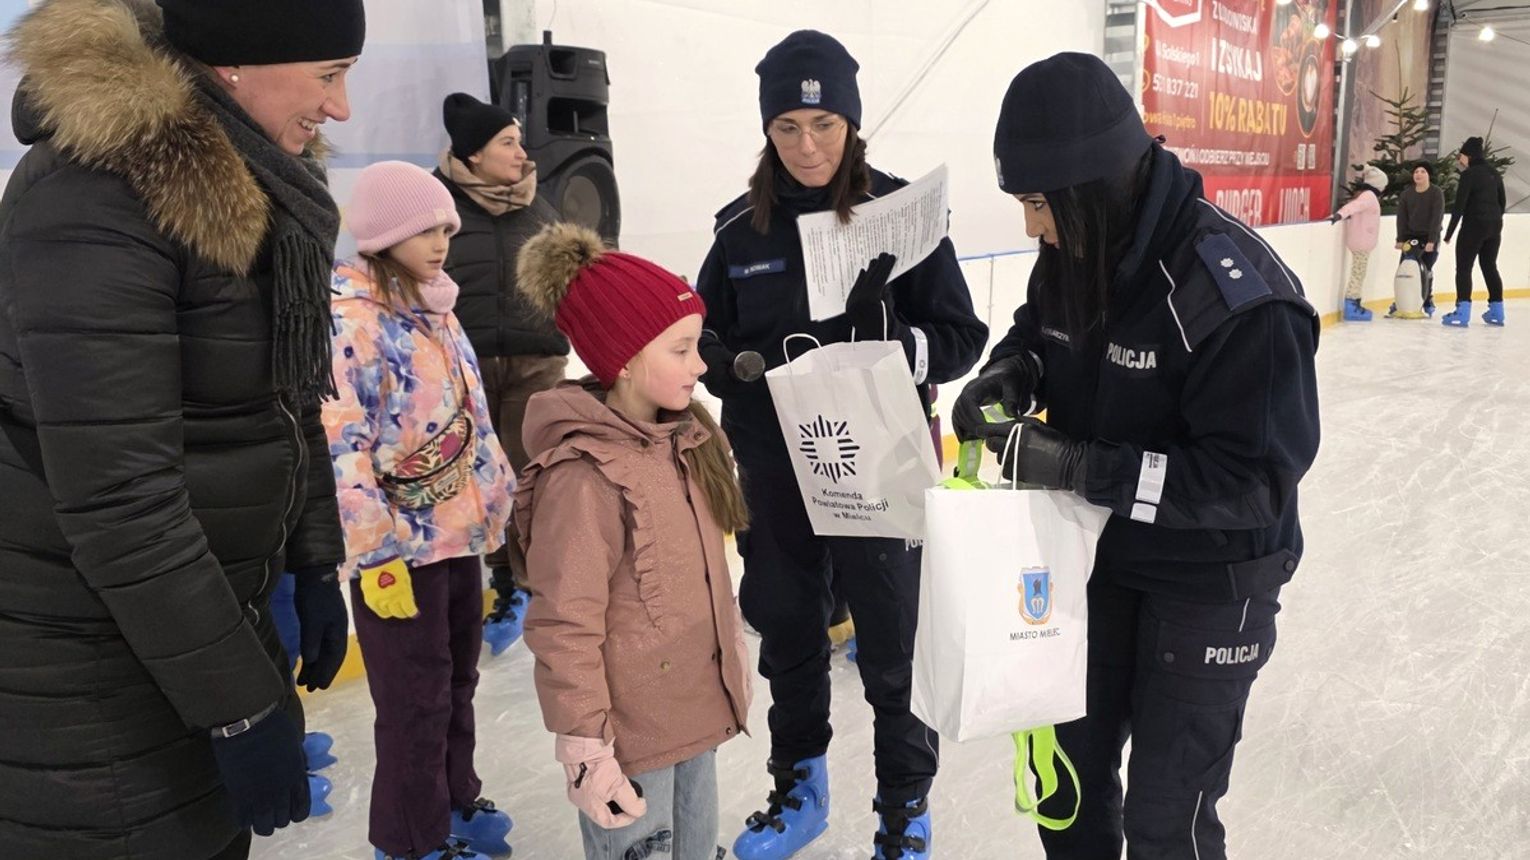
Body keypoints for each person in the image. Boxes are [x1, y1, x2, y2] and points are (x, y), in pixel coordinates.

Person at [0, 0, 363, 856]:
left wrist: (313, 559)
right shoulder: (94, 196)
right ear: (236, 62)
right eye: (330, 75)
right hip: (83, 668)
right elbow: (120, 497)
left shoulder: (256, 179)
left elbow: (284, 395)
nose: (341, 109)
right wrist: (237, 705)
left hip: (193, 634)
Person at [953, 53, 1320, 860]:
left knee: (1168, 825)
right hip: (1100, 562)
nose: (1030, 228)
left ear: (1096, 184)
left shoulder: (1238, 298)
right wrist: (1011, 371)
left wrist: (1084, 468)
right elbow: (1042, 329)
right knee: (1068, 790)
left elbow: (1252, 486)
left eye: (1038, 204)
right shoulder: (1080, 242)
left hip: (1211, 584)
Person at [696, 30, 988, 860]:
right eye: (787, 128)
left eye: (823, 126)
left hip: (878, 459)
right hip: (775, 463)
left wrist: (897, 344)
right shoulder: (738, 232)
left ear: (852, 126)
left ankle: (905, 809)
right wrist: (719, 359)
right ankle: (801, 788)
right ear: (768, 134)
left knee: (894, 641)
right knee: (787, 628)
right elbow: (697, 327)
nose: (807, 145)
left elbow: (965, 335)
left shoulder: (904, 216)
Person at [514, 222, 753, 860]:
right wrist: (585, 746)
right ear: (623, 357)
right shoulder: (583, 477)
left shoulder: (687, 441)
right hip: (628, 738)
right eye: (680, 349)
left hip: (694, 714)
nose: (700, 365)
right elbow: (564, 621)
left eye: (697, 345)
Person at [325, 162, 517, 860]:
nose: (441, 242)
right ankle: (408, 841)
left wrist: (495, 494)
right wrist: (374, 554)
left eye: (446, 228)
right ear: (384, 234)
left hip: (458, 535)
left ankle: (454, 799)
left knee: (457, 681)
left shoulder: (437, 306)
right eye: (425, 229)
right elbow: (341, 447)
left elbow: (472, 412)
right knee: (414, 703)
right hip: (398, 552)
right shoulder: (352, 322)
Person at [435, 92, 564, 654]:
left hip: (536, 358)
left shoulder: (542, 204)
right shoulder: (435, 202)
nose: (522, 154)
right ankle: (505, 582)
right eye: (507, 144)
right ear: (474, 154)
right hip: (464, 362)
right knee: (483, 482)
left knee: (535, 475)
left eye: (518, 141)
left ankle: (540, 585)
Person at [1442, 136, 1508, 327]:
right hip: (1495, 226)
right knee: (1489, 266)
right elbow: (1502, 202)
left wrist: (1449, 234)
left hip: (1473, 226)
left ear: (1467, 156)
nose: (1459, 160)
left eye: (1460, 156)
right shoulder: (1494, 173)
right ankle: (1497, 311)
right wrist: (1494, 220)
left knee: (1464, 268)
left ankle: (1462, 312)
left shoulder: (1469, 175)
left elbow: (1459, 206)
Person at [1330, 165, 1387, 322]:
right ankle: (1351, 305)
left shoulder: (1367, 195)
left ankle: (1354, 303)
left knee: (1359, 272)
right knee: (1358, 273)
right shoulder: (1369, 196)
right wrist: (1339, 214)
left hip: (1362, 240)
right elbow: (1353, 207)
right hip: (1361, 241)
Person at [1393, 161, 1445, 317]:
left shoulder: (1436, 193)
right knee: (1406, 269)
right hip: (1410, 237)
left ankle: (1427, 299)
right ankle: (1401, 302)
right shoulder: (1407, 194)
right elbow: (1401, 218)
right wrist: (1400, 239)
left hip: (1428, 237)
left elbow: (1437, 217)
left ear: (1428, 175)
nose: (1419, 174)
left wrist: (1431, 240)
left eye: (1423, 171)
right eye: (1416, 172)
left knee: (1426, 269)